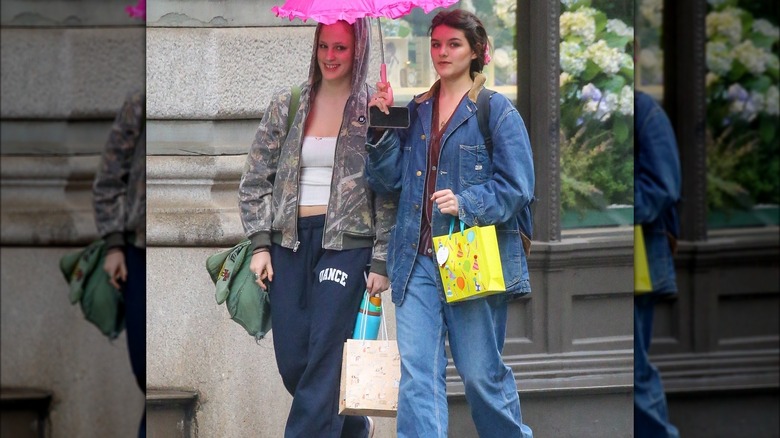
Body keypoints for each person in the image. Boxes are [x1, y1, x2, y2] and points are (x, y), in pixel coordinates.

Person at [365, 9, 534, 437]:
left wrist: (467, 202)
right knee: (418, 378)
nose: (442, 52)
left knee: (481, 378)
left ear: (477, 51)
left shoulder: (495, 111)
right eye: (436, 44)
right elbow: (388, 181)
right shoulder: (418, 109)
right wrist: (382, 125)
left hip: (468, 257)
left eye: (453, 44)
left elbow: (518, 187)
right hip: (416, 262)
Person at [238, 18, 396, 438]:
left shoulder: (372, 109)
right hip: (289, 241)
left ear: (357, 50)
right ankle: (354, 427)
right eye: (324, 46)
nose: (330, 56)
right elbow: (255, 179)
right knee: (295, 362)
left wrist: (381, 258)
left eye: (340, 48)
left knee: (326, 353)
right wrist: (260, 245)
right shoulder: (288, 104)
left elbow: (390, 190)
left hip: (348, 244)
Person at [93, 90, 147, 438]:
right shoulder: (140, 102)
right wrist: (114, 244)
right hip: (138, 254)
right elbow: (109, 178)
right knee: (144, 368)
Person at [634, 90, 681, 438]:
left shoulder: (644, 110)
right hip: (622, 257)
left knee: (634, 371)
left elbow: (664, 187)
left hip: (638, 259)